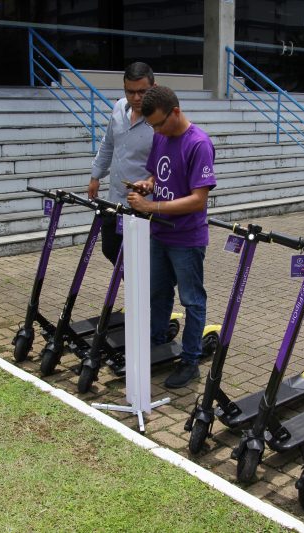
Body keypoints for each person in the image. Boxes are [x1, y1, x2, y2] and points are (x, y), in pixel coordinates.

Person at [127, 86, 217, 389]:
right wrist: (147, 184)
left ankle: (190, 360)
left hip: (187, 238)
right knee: (158, 293)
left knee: (192, 300)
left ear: (175, 112)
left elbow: (197, 200)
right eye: (152, 125)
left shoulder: (199, 144)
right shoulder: (161, 135)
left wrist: (151, 206)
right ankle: (156, 347)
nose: (156, 130)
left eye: (159, 123)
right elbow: (159, 175)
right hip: (159, 233)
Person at [88, 62, 156, 264]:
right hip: (115, 198)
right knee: (111, 248)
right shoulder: (119, 108)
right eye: (130, 92)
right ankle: (140, 292)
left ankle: (145, 294)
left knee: (139, 259)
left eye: (142, 92)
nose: (136, 98)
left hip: (142, 205)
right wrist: (96, 176)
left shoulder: (159, 121)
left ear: (153, 87)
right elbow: (108, 143)